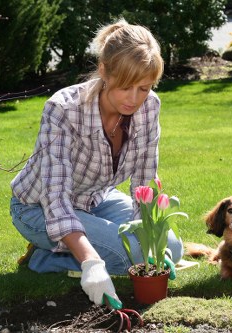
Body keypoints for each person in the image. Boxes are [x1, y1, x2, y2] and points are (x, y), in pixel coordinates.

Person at [9, 19, 183, 306]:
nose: (135, 99)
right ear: (104, 71)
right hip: (39, 208)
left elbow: (144, 179)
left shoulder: (149, 105)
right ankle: (47, 257)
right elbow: (55, 198)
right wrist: (91, 262)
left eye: (144, 87)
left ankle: (58, 252)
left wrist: (150, 238)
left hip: (95, 198)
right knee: (130, 255)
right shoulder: (63, 109)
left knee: (170, 247)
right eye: (126, 87)